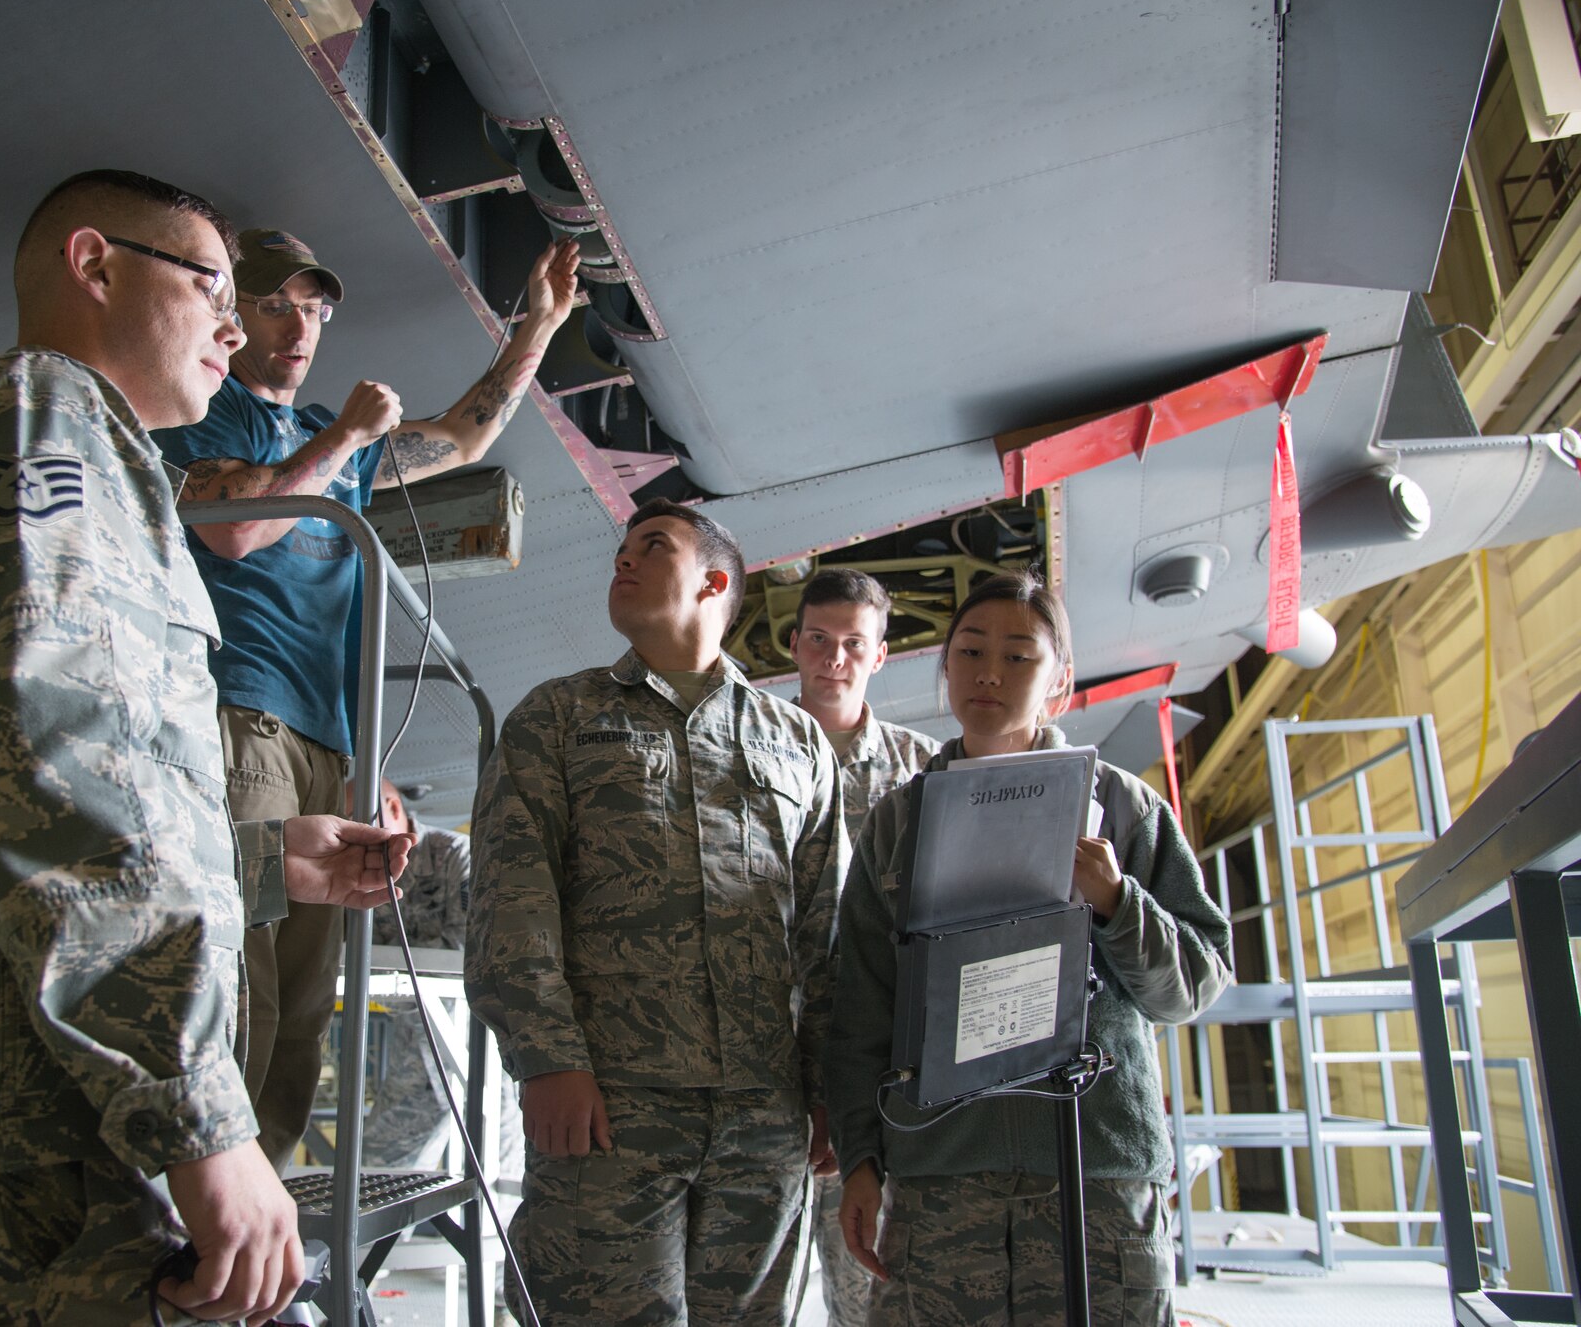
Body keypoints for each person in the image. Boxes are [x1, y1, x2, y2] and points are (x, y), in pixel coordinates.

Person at [0, 169, 411, 1327]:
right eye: (212, 286)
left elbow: (47, 778)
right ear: (93, 264)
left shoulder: (112, 471)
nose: (237, 324)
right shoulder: (32, 415)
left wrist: (265, 859)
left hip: (46, 1124)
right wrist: (201, 1117)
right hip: (9, 1135)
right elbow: (46, 774)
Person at [154, 230, 581, 1171]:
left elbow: (466, 431)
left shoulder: (328, 443)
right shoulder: (202, 415)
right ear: (231, 312)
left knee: (306, 1001)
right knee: (247, 979)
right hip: (245, 718)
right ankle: (201, 1210)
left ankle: (259, 1212)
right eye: (277, 304)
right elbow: (238, 532)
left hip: (328, 739)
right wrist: (343, 435)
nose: (302, 325)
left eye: (317, 309)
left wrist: (539, 326)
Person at [466, 498, 845, 1327]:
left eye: (652, 546)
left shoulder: (799, 743)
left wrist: (828, 1089)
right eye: (622, 548)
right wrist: (546, 1057)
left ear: (714, 581)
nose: (622, 559)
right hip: (608, 1107)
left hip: (763, 1116)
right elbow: (511, 894)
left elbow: (825, 932)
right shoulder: (558, 717)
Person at [827, 570, 1232, 1326]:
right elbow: (860, 1008)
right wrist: (860, 1158)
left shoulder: (1122, 809)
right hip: (942, 1178)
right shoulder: (898, 825)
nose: (989, 672)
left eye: (1020, 656)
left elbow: (1195, 983)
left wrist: (1116, 902)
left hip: (1094, 1179)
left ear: (1062, 680)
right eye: (970, 650)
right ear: (944, 667)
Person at [787, 568, 937, 1327]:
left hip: (877, 1084)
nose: (834, 657)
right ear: (795, 644)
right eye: (819, 638)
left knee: (867, 1295)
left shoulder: (924, 775)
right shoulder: (749, 759)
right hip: (766, 1080)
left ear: (880, 655)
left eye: (854, 643)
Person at [359, 779, 472, 1171]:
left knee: (382, 1162)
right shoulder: (359, 867)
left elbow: (466, 949)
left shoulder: (453, 853)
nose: (352, 837)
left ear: (393, 809)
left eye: (360, 820)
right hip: (410, 1023)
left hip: (462, 1024)